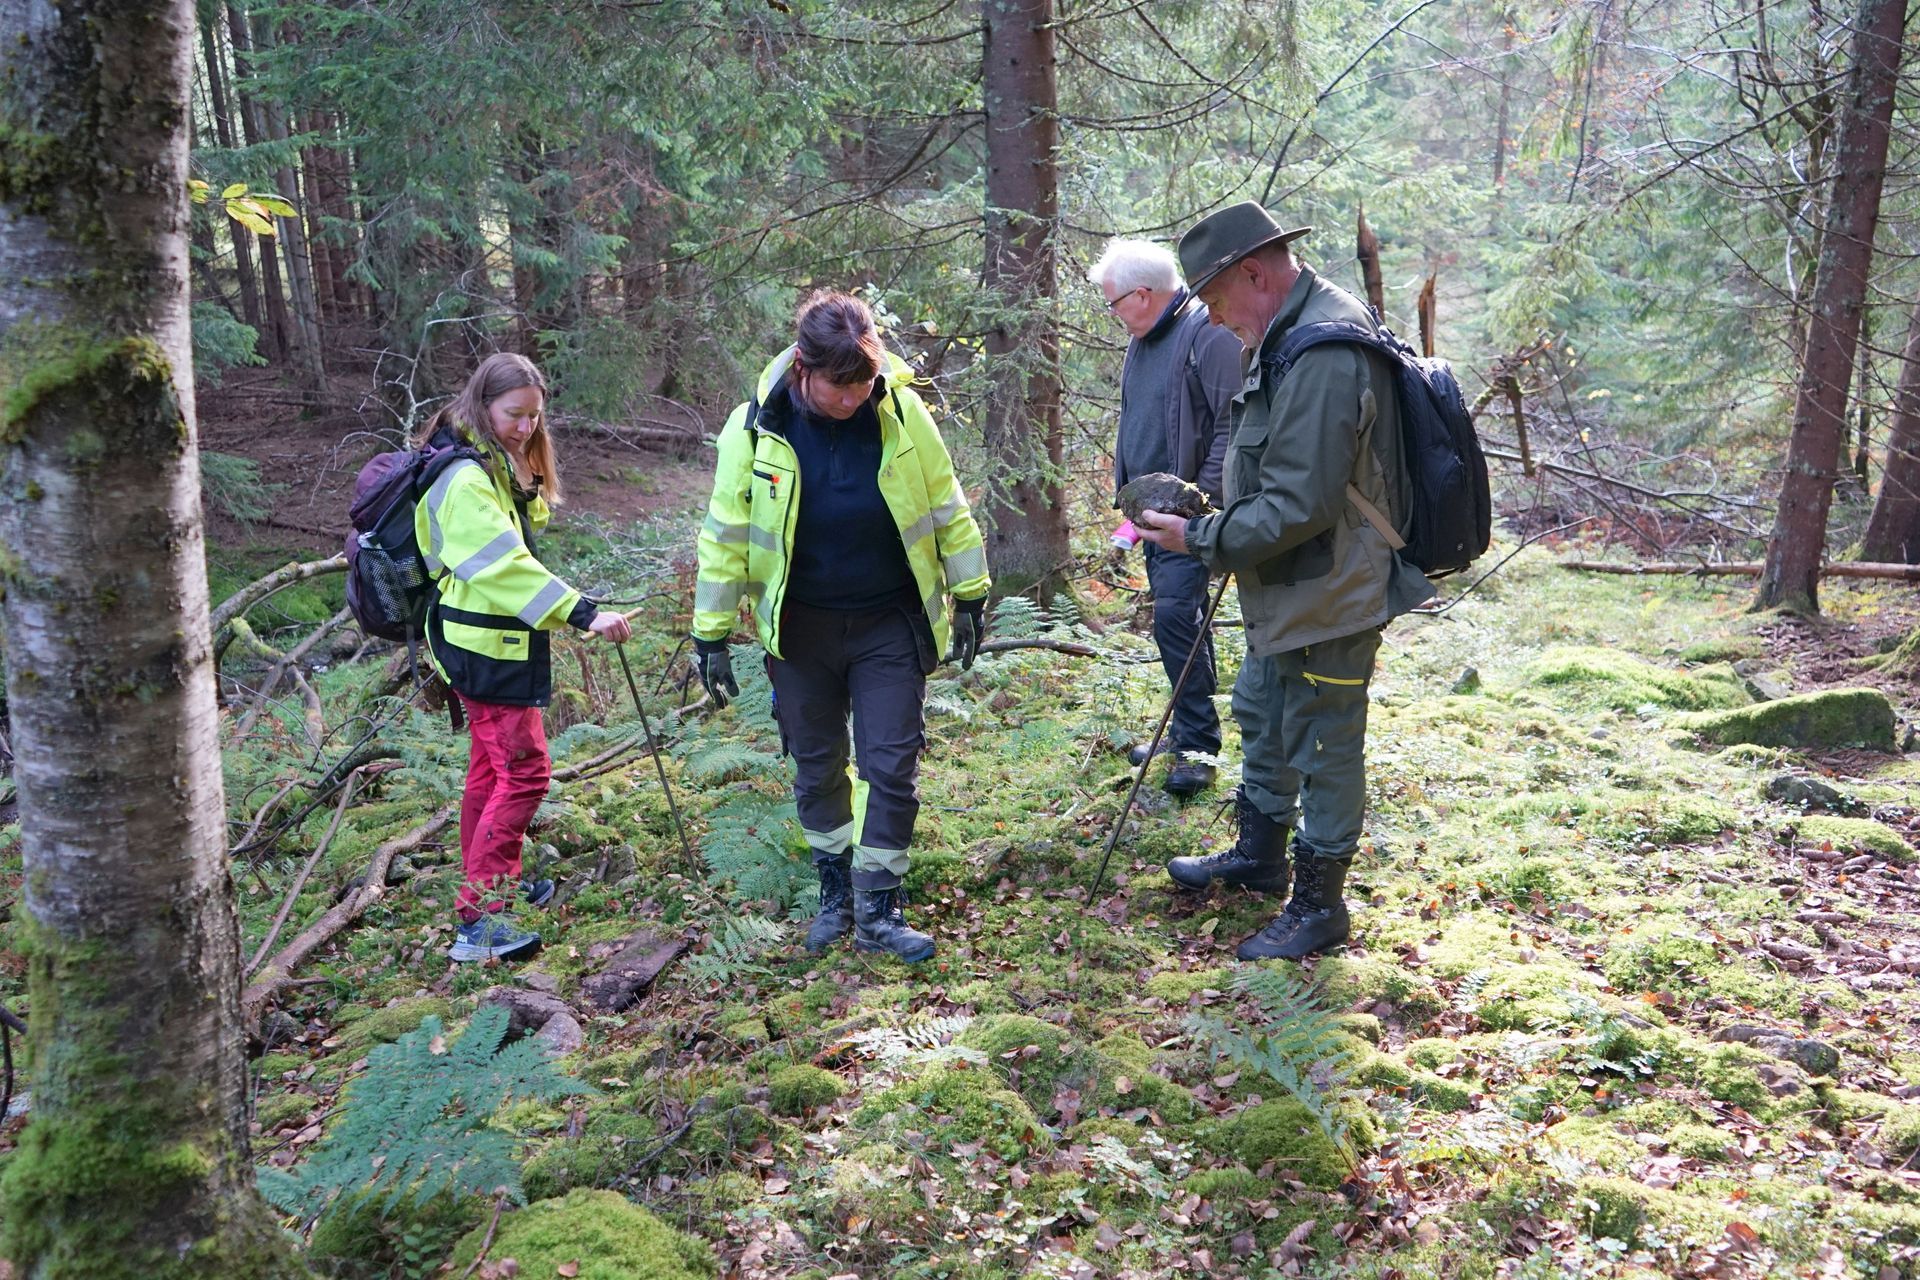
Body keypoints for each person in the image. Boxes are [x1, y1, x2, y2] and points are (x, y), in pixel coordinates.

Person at [1134, 202, 1435, 960]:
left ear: (1254, 274)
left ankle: (1320, 905)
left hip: (1333, 585)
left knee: (1325, 741)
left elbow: (1302, 500)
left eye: (1213, 298)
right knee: (1263, 711)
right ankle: (1260, 858)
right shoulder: (1283, 334)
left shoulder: (1324, 350)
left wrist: (1201, 536)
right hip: (1285, 576)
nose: (1210, 316)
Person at [692, 291, 991, 963]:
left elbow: (946, 504)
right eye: (837, 386)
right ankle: (835, 894)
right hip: (801, 630)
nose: (851, 398)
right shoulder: (755, 430)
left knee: (890, 763)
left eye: (861, 383)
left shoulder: (903, 413)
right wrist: (709, 632)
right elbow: (725, 535)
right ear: (803, 366)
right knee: (817, 766)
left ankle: (880, 906)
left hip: (890, 620)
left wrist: (970, 592)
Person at [414, 353, 633, 963]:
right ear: (484, 406)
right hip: (486, 651)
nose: (526, 429)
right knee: (528, 771)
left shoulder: (487, 467)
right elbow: (506, 569)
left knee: (490, 772)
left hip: (489, 644)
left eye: (535, 418)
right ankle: (480, 920)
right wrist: (585, 613)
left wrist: (522, 466)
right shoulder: (462, 479)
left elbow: (527, 522)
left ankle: (493, 891)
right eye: (514, 416)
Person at [1089, 238, 1242, 798]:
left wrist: (1198, 508)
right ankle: (1185, 732)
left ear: (1144, 294)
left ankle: (1198, 749)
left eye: (1113, 303)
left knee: (1179, 616)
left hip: (1189, 519)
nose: (1112, 315)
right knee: (1176, 620)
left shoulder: (1208, 332)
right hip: (1154, 516)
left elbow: (1234, 427)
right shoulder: (1144, 338)